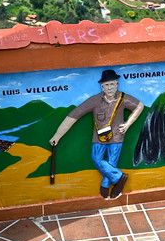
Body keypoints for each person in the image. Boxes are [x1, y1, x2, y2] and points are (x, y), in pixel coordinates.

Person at [50, 69, 144, 199]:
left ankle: (105, 186)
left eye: (112, 84)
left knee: (112, 163)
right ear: (102, 86)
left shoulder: (123, 98)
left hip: (117, 136)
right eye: (107, 85)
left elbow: (139, 106)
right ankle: (120, 177)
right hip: (98, 138)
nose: (110, 87)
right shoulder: (94, 100)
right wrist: (57, 136)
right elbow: (74, 115)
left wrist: (128, 124)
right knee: (96, 159)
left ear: (117, 84)